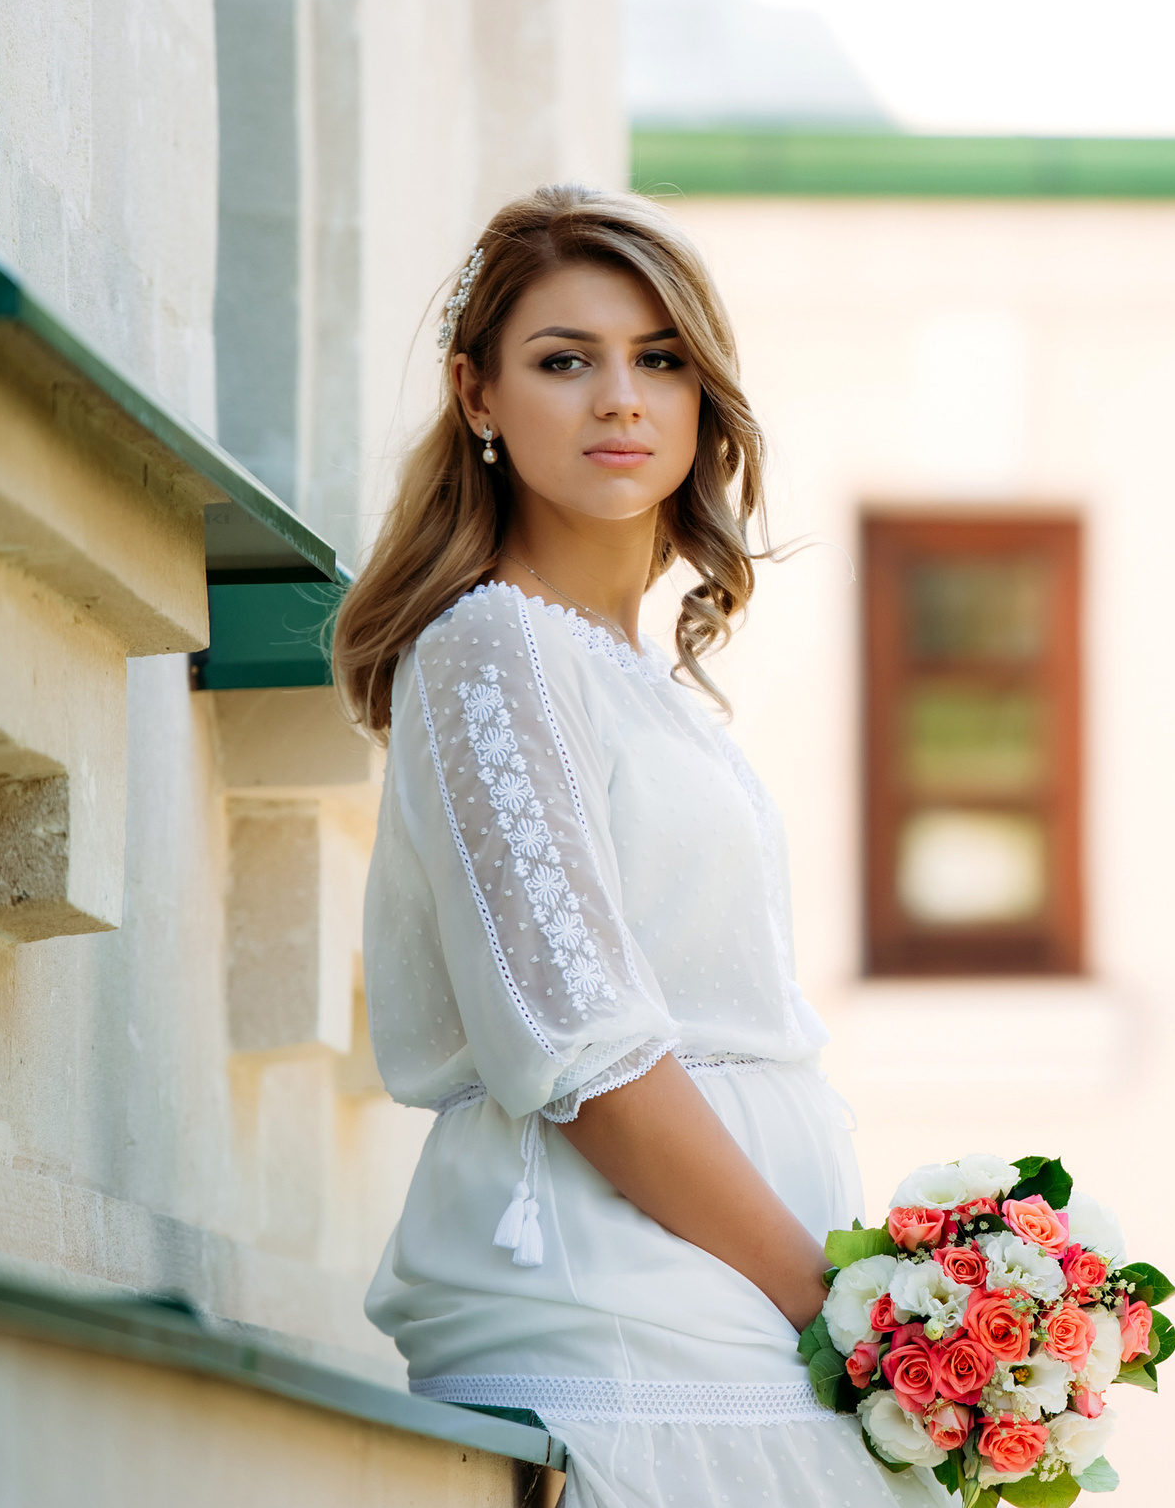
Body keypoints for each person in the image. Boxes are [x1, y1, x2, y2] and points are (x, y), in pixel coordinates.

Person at [332, 186, 945, 1506]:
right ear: (477, 395)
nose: (622, 398)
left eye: (660, 360)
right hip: (625, 1307)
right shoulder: (493, 648)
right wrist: (835, 1308)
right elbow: (587, 1050)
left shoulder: (637, 681)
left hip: (726, 1299)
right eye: (567, 361)